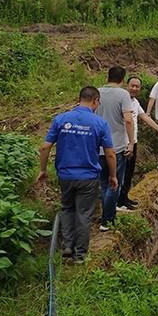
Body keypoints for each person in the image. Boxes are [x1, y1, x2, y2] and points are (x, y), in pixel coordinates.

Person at [36, 86, 118, 264]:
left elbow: (44, 147)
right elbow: (110, 153)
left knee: (67, 209)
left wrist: (42, 170)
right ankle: (80, 255)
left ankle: (67, 246)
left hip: (65, 175)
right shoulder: (99, 123)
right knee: (84, 214)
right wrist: (113, 175)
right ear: (95, 101)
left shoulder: (61, 119)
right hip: (88, 177)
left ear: (79, 98)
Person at [117, 76, 158, 211]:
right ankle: (118, 202)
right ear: (126, 85)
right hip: (124, 143)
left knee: (129, 173)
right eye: (132, 85)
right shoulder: (122, 100)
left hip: (133, 142)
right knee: (121, 173)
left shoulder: (135, 102)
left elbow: (144, 116)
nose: (134, 88)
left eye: (137, 86)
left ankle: (124, 198)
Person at [97, 66, 135, 231]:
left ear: (108, 77)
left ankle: (106, 214)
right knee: (115, 183)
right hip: (116, 146)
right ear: (122, 79)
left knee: (104, 183)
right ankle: (107, 220)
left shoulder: (96, 93)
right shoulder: (123, 94)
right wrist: (131, 142)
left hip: (97, 147)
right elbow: (128, 120)